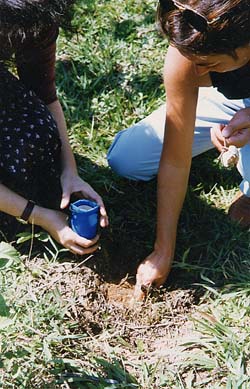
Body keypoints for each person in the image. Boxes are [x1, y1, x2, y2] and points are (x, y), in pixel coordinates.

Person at [107, 0, 250, 294]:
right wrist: (163, 250)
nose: (195, 73)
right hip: (229, 100)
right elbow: (174, 159)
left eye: (209, 64)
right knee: (127, 159)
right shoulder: (193, 47)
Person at [0, 0, 108, 254]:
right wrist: (39, 216)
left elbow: (44, 94)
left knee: (37, 138)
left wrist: (70, 172)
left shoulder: (38, 15)